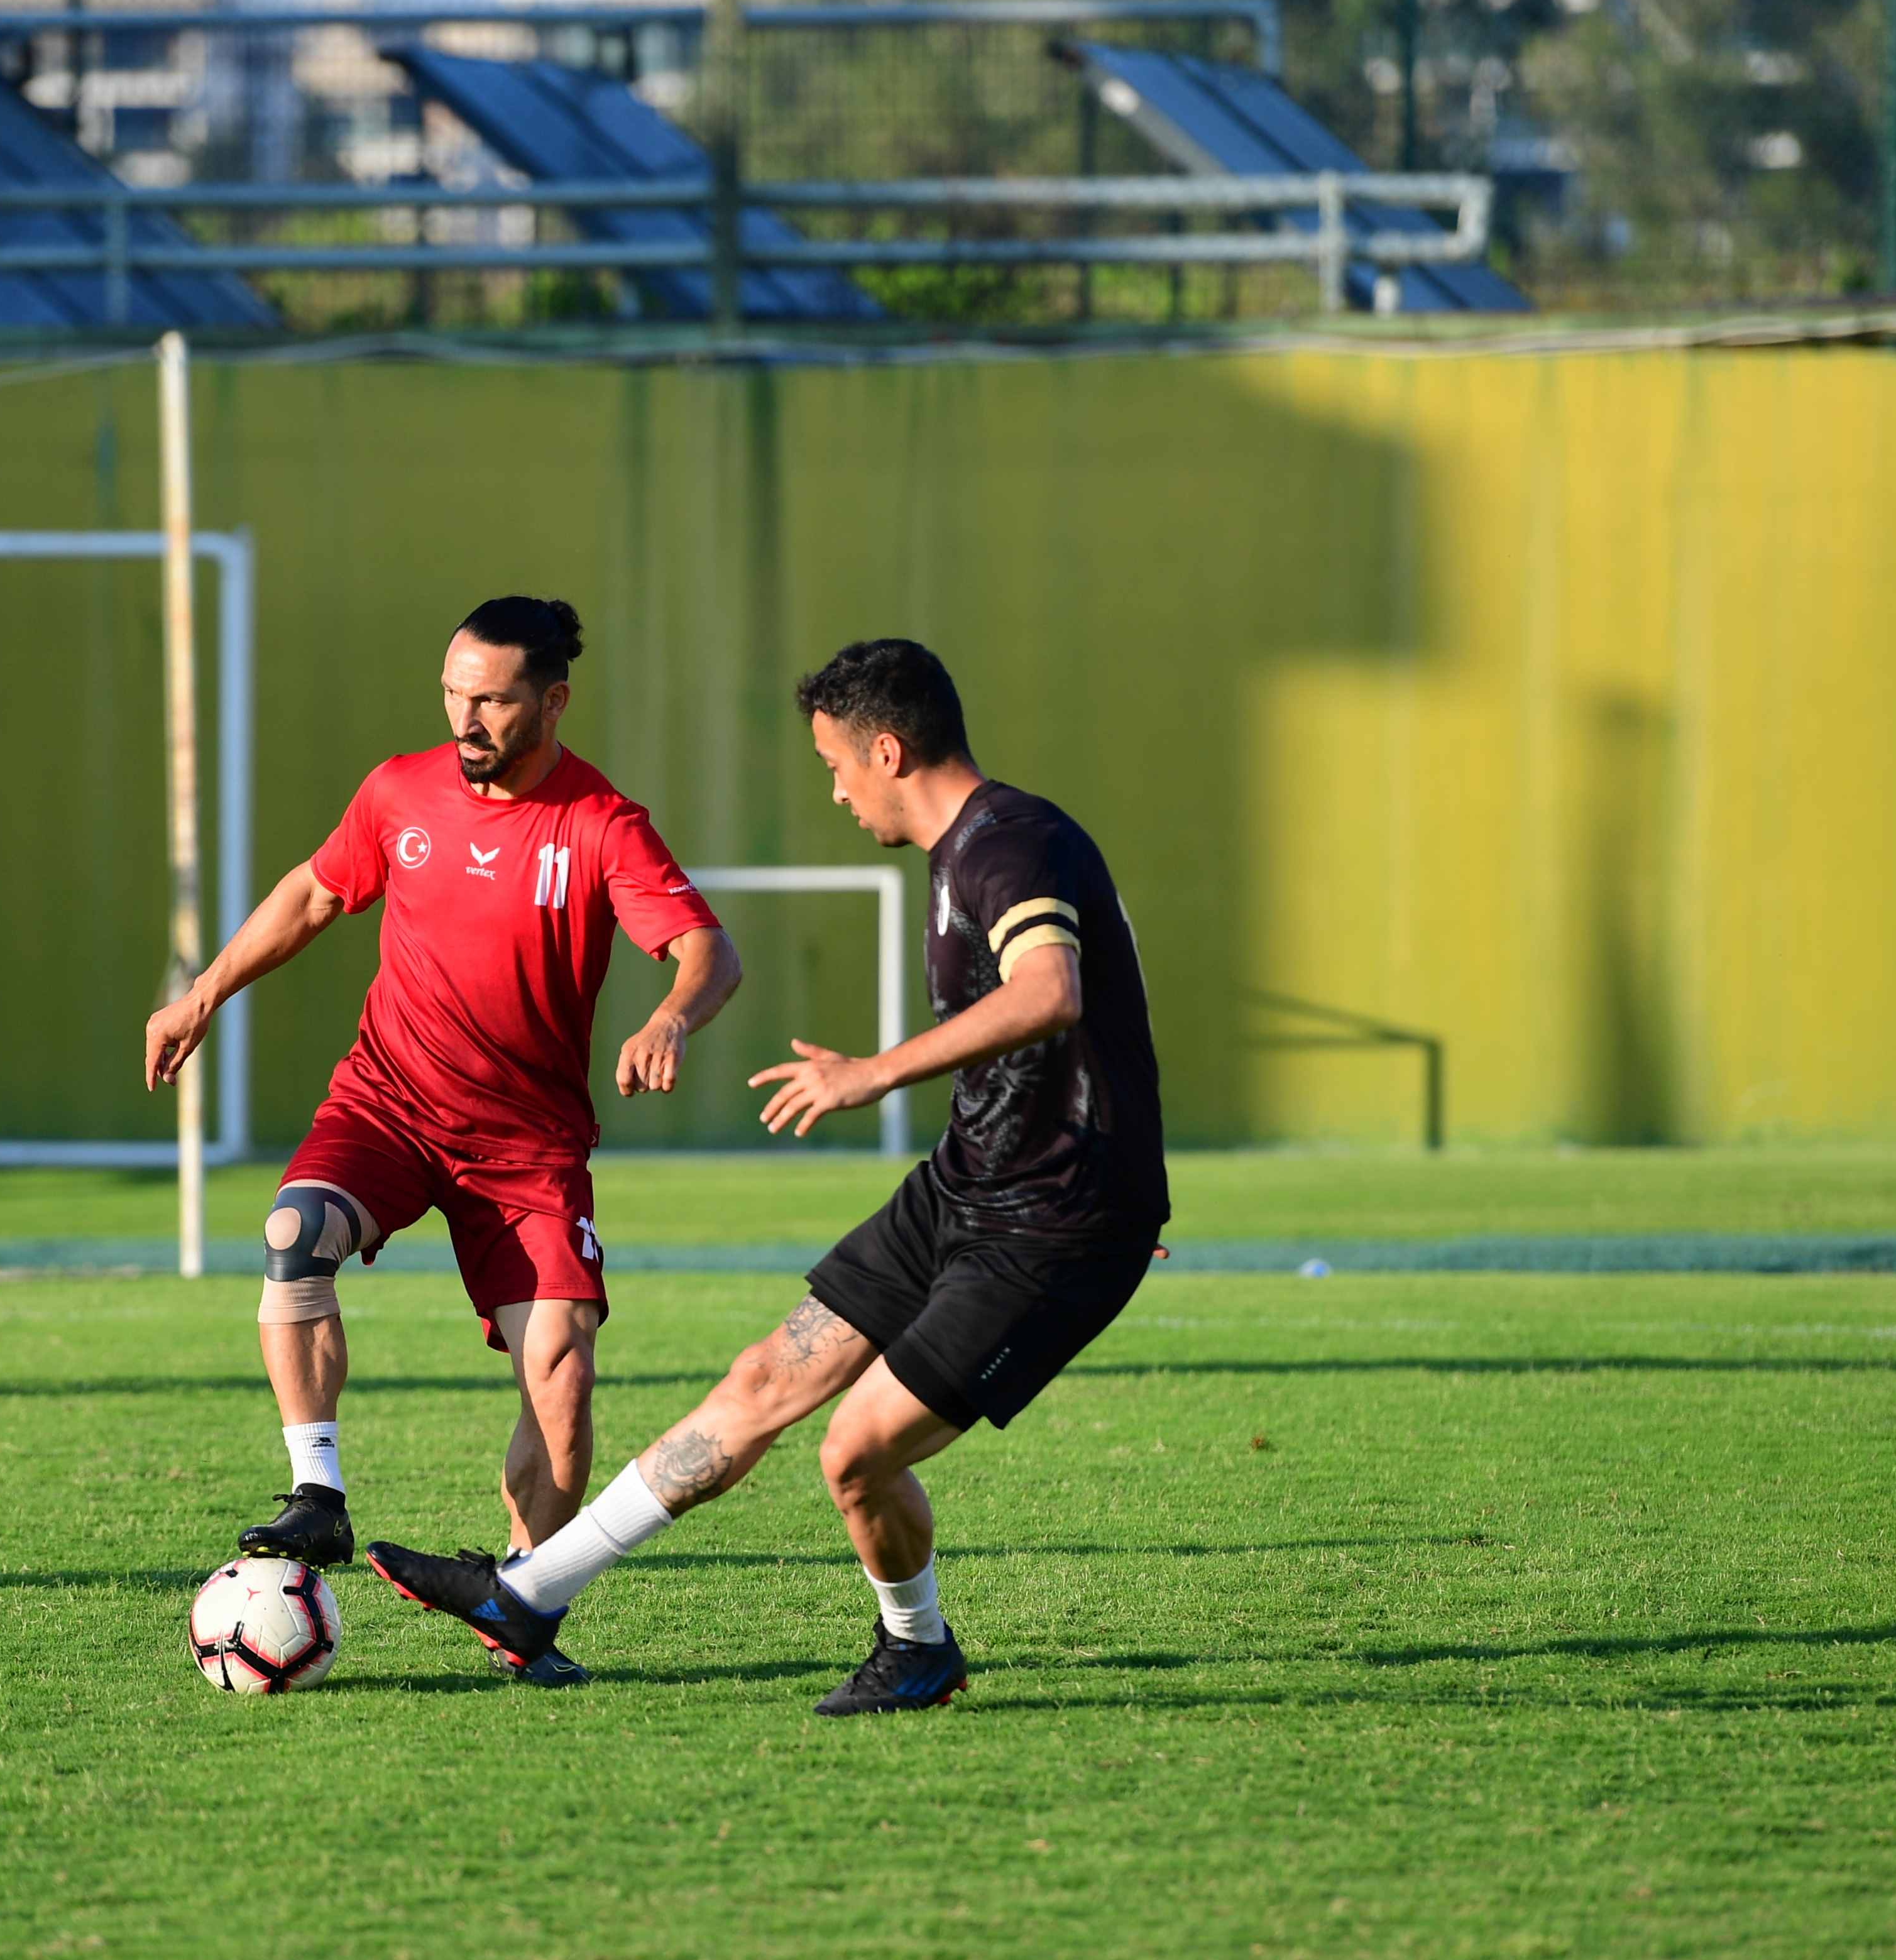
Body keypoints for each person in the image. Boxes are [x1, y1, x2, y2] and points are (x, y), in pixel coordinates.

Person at [370, 638, 1168, 1714]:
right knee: (760, 1382)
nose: (835, 790)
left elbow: (1051, 990)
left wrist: (872, 1073)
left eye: (838, 765)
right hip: (972, 1184)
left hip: (1054, 1221)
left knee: (855, 1452)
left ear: (887, 749)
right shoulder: (971, 848)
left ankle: (915, 1647)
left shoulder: (1005, 844)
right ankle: (529, 1595)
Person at [143, 597, 740, 1685]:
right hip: (388, 1105)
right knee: (294, 1232)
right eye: (453, 694)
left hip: (526, 1148)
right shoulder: (397, 789)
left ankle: (522, 1597)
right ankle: (317, 1493)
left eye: (494, 699)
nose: (466, 718)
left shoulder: (602, 821)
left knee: (558, 1375)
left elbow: (706, 949)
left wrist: (670, 1016)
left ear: (552, 700)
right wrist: (203, 994)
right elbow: (313, 896)